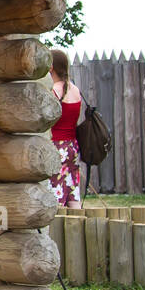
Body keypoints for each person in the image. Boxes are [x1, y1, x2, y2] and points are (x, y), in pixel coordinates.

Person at [48, 49, 83, 206]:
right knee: (72, 189)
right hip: (72, 147)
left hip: (55, 146)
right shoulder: (75, 90)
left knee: (54, 191)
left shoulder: (52, 91)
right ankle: (78, 224)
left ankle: (54, 229)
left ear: (50, 67)